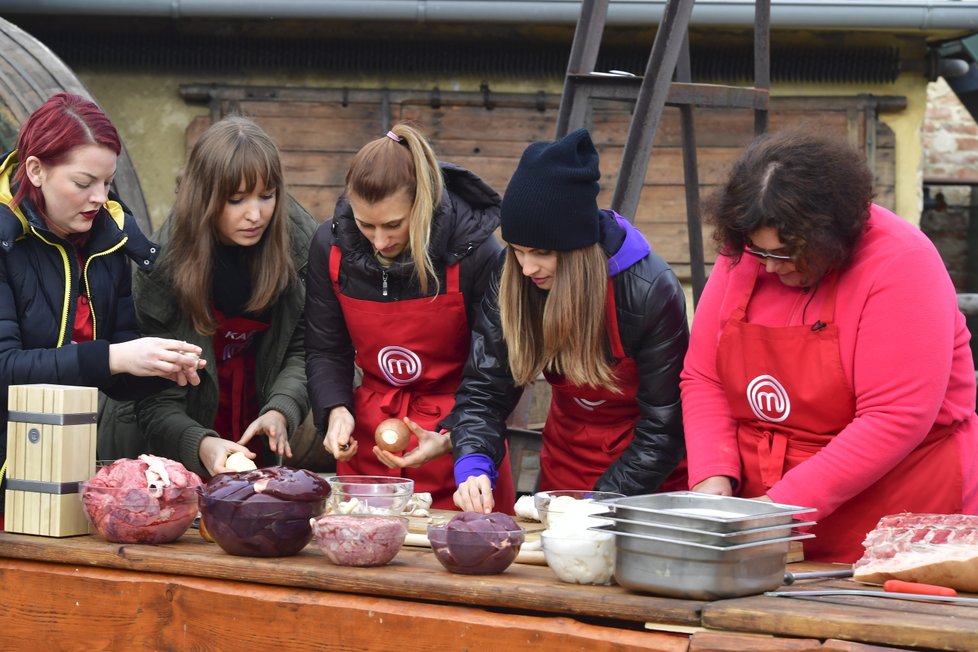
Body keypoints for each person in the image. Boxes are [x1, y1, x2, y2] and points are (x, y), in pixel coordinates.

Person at [680, 128, 978, 563]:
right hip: (767, 522)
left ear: (830, 235)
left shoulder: (902, 263)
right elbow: (704, 377)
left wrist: (781, 508)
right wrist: (711, 480)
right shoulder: (749, 251)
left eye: (784, 254)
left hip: (896, 524)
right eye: (757, 252)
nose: (766, 266)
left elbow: (894, 417)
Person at [446, 128, 689, 513]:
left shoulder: (650, 291)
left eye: (542, 252)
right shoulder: (510, 274)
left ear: (578, 249)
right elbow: (484, 390)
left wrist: (599, 505)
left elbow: (665, 427)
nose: (527, 268)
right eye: (518, 250)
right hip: (563, 469)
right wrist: (473, 461)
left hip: (647, 486)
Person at [0, 92, 203, 528]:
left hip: (56, 467)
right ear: (35, 170)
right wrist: (117, 356)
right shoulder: (4, 244)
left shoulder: (105, 238)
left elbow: (110, 359)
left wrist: (152, 367)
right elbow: (5, 368)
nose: (99, 197)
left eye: (108, 183)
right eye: (83, 182)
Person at [305, 123, 515, 511]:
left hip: (457, 436)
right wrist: (335, 409)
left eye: (393, 225)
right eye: (366, 225)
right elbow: (324, 347)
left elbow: (498, 367)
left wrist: (455, 437)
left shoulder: (476, 253)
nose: (380, 241)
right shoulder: (330, 248)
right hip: (368, 443)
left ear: (423, 204)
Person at [130, 116, 318, 478]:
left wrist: (281, 408)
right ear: (204, 199)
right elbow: (154, 399)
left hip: (258, 409)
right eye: (236, 200)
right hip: (183, 433)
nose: (255, 214)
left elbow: (306, 346)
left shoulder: (301, 246)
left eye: (267, 196)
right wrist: (199, 442)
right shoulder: (160, 268)